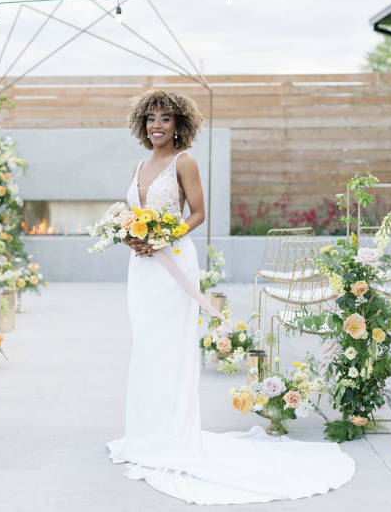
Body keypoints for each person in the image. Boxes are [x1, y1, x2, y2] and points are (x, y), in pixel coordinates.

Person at [107, 90, 355, 505]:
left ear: (178, 124)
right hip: (142, 268)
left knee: (171, 348)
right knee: (147, 348)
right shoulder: (139, 165)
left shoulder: (184, 161)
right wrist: (129, 235)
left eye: (165, 119)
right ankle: (146, 433)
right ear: (141, 124)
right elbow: (131, 214)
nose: (157, 126)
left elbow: (198, 214)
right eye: (150, 119)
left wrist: (163, 236)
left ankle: (174, 436)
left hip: (173, 264)